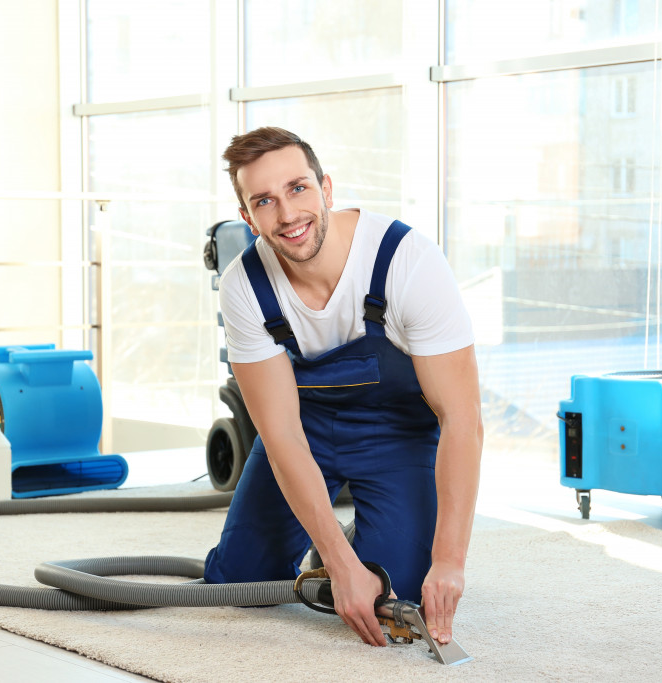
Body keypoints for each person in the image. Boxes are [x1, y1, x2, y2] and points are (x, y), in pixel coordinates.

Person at [203, 127, 482, 649]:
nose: (287, 215)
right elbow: (281, 433)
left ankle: (361, 550)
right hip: (303, 432)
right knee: (239, 584)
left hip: (397, 437)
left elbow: (462, 420)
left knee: (398, 595)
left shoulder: (407, 263)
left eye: (298, 189)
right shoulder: (244, 285)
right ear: (247, 217)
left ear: (326, 189)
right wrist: (336, 560)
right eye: (264, 201)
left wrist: (448, 561)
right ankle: (333, 552)